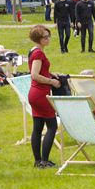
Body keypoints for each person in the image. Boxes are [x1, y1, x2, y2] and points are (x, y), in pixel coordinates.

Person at [27, 25, 61, 169]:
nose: (48, 39)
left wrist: (50, 73)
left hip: (34, 94)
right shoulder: (39, 54)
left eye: (49, 36)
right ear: (38, 39)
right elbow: (34, 75)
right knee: (52, 126)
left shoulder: (33, 51)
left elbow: (39, 69)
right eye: (44, 37)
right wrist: (50, 81)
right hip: (40, 94)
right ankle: (44, 162)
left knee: (37, 127)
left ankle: (37, 161)